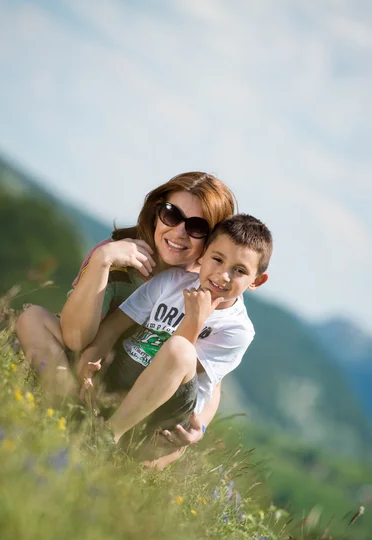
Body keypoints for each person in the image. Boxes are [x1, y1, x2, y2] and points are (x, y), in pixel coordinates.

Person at [16, 172, 236, 450]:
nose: (179, 232)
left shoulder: (205, 289)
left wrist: (200, 427)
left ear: (214, 239)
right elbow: (74, 338)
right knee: (31, 318)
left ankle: (96, 434)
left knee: (168, 455)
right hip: (95, 371)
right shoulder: (114, 254)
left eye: (196, 227)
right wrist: (102, 261)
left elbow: (213, 376)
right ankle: (73, 416)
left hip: (144, 399)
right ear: (156, 212)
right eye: (171, 214)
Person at [78, 214, 273, 467]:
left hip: (166, 404)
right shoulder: (171, 282)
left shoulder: (237, 329)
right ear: (202, 256)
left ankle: (106, 436)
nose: (223, 275)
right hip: (128, 367)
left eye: (239, 271)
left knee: (181, 349)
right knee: (34, 319)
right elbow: (114, 327)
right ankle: (77, 410)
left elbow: (175, 364)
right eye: (217, 259)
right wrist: (89, 360)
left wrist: (194, 319)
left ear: (256, 280)